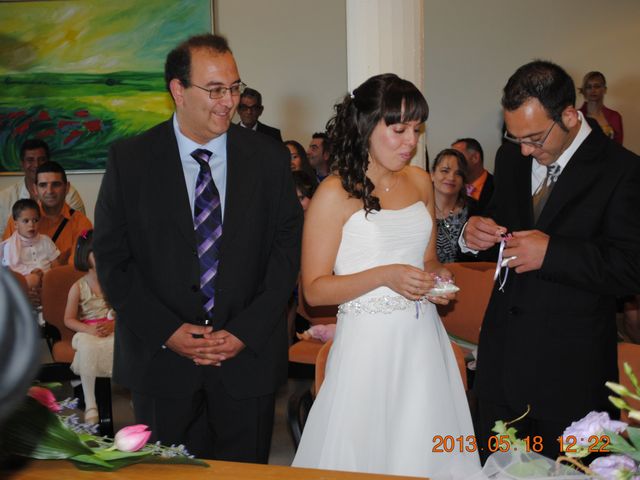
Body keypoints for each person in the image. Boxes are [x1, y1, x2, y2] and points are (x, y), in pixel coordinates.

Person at [94, 34, 302, 462]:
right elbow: (114, 261)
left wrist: (244, 331)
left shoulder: (268, 159)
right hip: (162, 365)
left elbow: (285, 254)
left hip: (247, 366)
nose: (229, 101)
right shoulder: (131, 160)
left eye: (234, 87)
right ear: (178, 90)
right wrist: (168, 332)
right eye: (215, 90)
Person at [292, 73, 480, 477]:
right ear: (366, 127)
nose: (411, 141)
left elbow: (427, 260)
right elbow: (314, 290)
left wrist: (438, 280)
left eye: (416, 129)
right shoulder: (333, 193)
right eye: (398, 129)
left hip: (422, 342)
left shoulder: (419, 181)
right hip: (367, 348)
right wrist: (386, 276)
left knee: (426, 447)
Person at [463, 60, 640, 462]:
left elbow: (631, 266)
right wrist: (474, 234)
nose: (525, 149)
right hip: (502, 360)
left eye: (535, 138)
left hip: (570, 371)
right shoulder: (510, 158)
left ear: (569, 115)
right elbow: (500, 229)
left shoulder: (622, 169)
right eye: (515, 137)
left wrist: (553, 253)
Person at [63, 230, 114, 425]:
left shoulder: (112, 283)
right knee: (87, 348)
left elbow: (121, 311)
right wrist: (89, 330)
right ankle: (91, 403)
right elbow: (68, 319)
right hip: (87, 331)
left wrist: (113, 324)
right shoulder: (78, 287)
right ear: (85, 256)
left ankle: (135, 393)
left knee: (127, 343)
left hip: (110, 329)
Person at [2, 161, 92, 266]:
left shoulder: (82, 224)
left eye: (56, 184)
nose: (49, 191)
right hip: (22, 281)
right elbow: (5, 265)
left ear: (67, 188)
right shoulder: (17, 220)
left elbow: (77, 268)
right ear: (35, 189)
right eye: (43, 185)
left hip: (63, 281)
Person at [0, 139, 86, 238]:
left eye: (42, 159)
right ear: (22, 164)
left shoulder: (70, 194)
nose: (36, 165)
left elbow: (82, 238)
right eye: (30, 160)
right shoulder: (4, 198)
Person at [1, 199, 60, 293]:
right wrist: (32, 273)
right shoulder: (10, 246)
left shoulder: (45, 240)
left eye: (35, 220)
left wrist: (50, 277)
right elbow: (11, 271)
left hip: (48, 283)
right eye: (26, 221)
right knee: (32, 280)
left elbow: (56, 265)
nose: (31, 225)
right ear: (16, 224)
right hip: (24, 284)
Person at [431, 148, 477, 263]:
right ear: (432, 174)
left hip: (462, 277)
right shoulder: (419, 209)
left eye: (458, 173)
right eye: (445, 171)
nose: (451, 178)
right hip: (423, 277)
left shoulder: (475, 210)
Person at [578, 71, 623, 144]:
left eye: (597, 86)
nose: (593, 90)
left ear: (604, 89)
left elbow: (619, 146)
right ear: (584, 91)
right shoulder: (577, 116)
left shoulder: (615, 116)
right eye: (589, 87)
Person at [451, 138, 494, 213]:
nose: (452, 161)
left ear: (475, 158)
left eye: (457, 156)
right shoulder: (450, 186)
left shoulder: (498, 188)